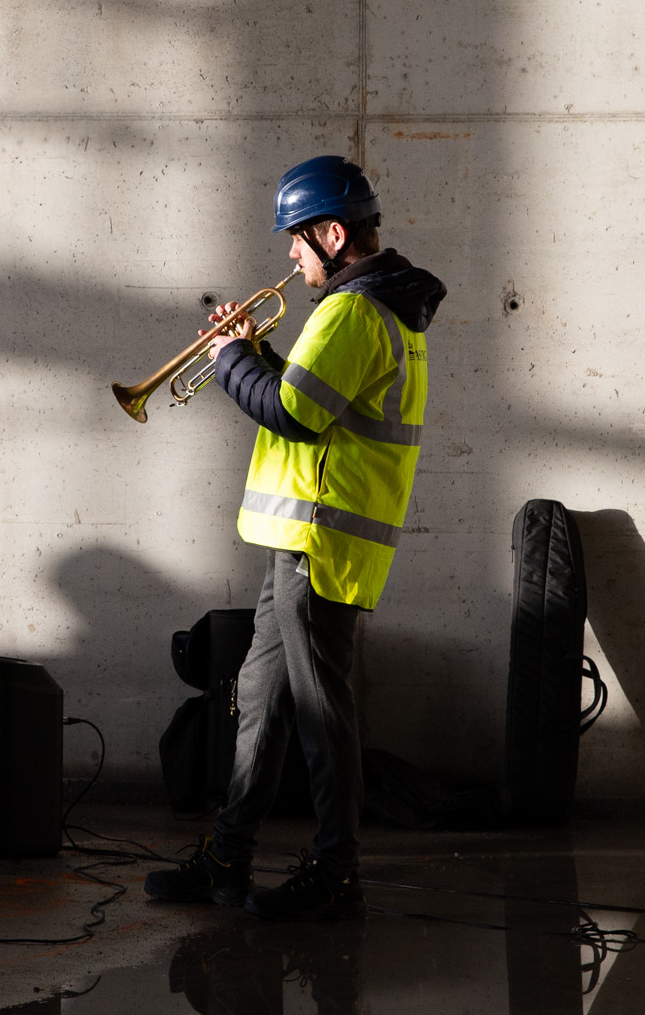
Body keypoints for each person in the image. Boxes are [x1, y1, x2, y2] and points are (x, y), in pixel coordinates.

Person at [146, 156, 447, 921]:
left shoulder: (353, 312)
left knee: (320, 714)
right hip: (306, 540)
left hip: (321, 542)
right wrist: (257, 355)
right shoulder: (381, 309)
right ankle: (228, 853)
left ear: (333, 233)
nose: (289, 255)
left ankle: (336, 871)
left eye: (296, 239)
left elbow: (294, 415)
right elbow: (317, 402)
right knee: (261, 696)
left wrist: (227, 360)